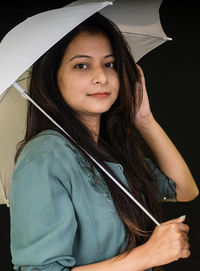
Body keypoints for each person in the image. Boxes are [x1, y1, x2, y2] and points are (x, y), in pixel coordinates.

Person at [9, 12, 198, 271]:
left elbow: (184, 189)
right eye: (82, 65)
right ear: (53, 77)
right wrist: (148, 256)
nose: (102, 77)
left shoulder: (108, 150)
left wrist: (144, 120)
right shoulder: (45, 155)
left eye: (109, 64)